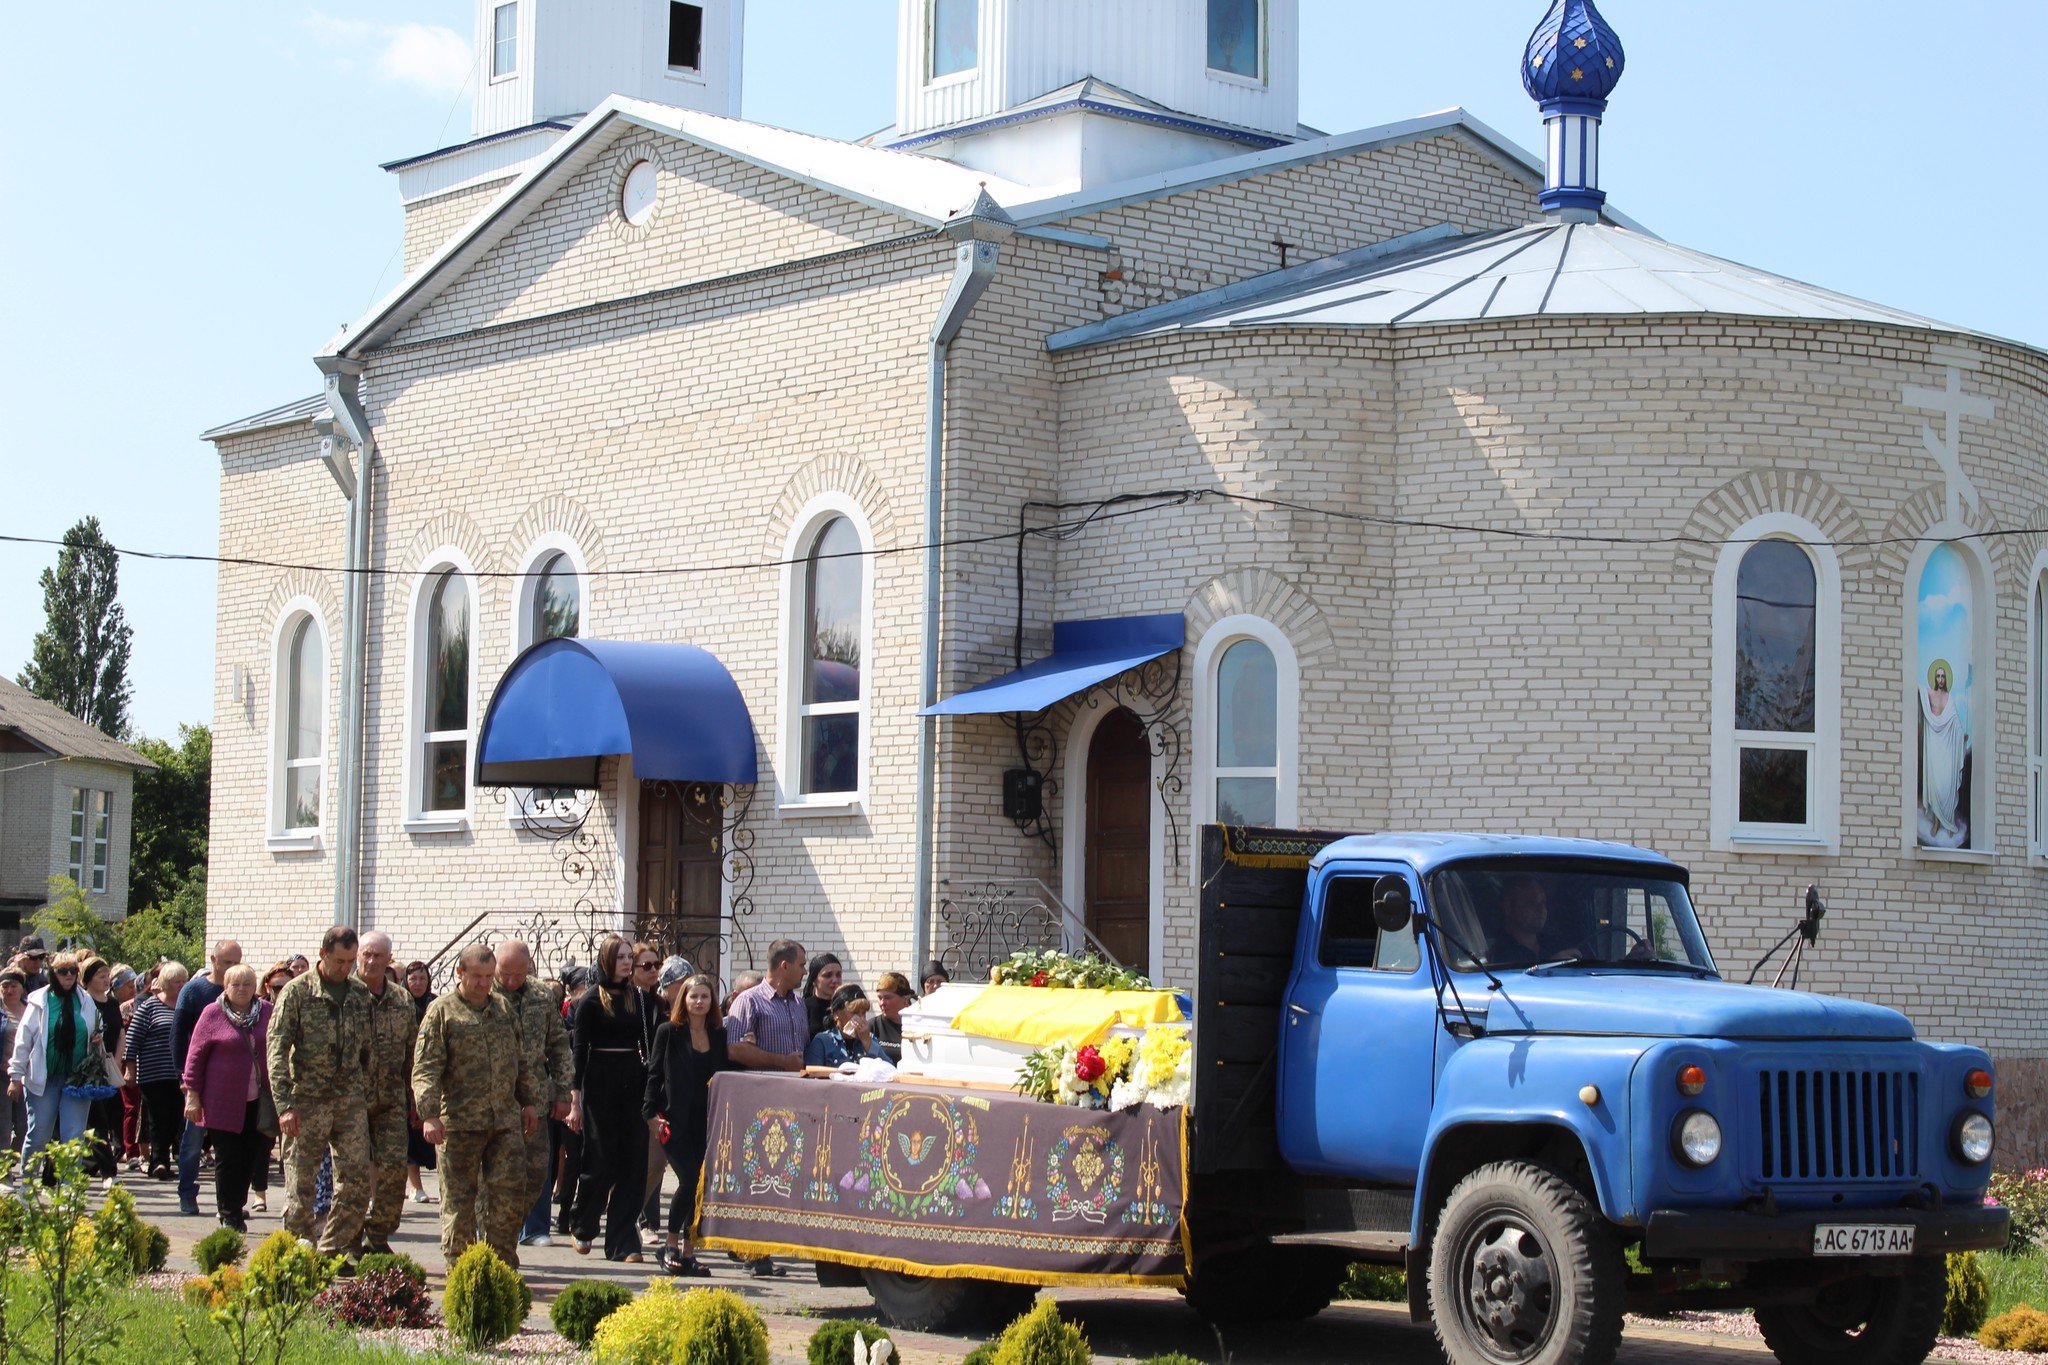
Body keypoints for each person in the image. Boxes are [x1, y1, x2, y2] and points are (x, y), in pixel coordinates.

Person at [413, 944, 538, 1266]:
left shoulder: (502, 1009)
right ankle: (461, 1268)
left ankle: (501, 1265)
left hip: (504, 1122)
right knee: (459, 1203)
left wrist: (528, 1101)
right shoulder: (442, 1012)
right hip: (459, 1124)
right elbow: (426, 1068)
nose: (484, 983)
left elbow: (521, 1059)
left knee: (508, 1196)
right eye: (477, 976)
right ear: (460, 973)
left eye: (488, 976)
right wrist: (429, 1115)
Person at [267, 925, 373, 1258]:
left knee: (356, 1180)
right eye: (339, 961)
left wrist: (365, 1089)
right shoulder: (298, 992)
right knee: (301, 1183)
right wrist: (285, 1105)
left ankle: (333, 1249)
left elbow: (367, 1048)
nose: (346, 968)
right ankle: (299, 1254)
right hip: (307, 1100)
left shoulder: (359, 993)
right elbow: (276, 1049)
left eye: (351, 962)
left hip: (349, 1099)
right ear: (323, 954)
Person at [724, 939, 809, 1279]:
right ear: (784, 966)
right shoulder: (749, 1001)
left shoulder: (798, 1004)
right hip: (759, 1104)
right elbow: (733, 1049)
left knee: (779, 1180)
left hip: (792, 1104)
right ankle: (752, 1250)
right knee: (756, 1178)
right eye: (801, 965)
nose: (805, 971)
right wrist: (781, 1062)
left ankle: (763, 1246)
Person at [491, 940, 577, 1250]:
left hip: (536, 1095)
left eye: (519, 973)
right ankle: (491, 1228)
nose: (512, 980)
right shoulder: (484, 994)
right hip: (493, 1097)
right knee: (495, 1167)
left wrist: (563, 1092)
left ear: (529, 966)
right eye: (506, 973)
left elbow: (558, 1045)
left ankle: (534, 1226)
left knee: (537, 1164)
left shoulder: (541, 996)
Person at [642, 973, 728, 1277]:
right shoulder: (668, 1031)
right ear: (684, 1000)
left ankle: (689, 1252)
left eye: (705, 996)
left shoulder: (718, 1034)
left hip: (705, 1121)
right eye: (694, 996)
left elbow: (724, 1076)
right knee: (688, 1179)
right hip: (672, 1119)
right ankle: (670, 1245)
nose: (699, 1001)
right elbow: (654, 1073)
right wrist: (649, 1113)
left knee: (700, 1184)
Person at [571, 935, 648, 1261]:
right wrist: (575, 1100)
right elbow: (579, 1052)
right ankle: (583, 1225)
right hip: (600, 1081)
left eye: (630, 957)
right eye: (620, 957)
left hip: (632, 1080)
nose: (627, 963)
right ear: (607, 960)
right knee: (600, 1160)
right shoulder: (590, 1000)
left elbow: (646, 1043)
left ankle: (623, 1242)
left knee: (633, 1161)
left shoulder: (638, 998)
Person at [181, 964, 273, 1231]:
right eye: (236, 984)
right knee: (228, 1157)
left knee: (250, 1156)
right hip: (221, 1101)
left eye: (247, 984)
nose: (242, 989)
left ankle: (236, 1204)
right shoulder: (213, 1013)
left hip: (258, 1101)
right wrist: (192, 1095)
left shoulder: (267, 1011)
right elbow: (195, 1057)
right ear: (226, 987)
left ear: (255, 987)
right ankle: (228, 1212)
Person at [9, 951, 103, 1165]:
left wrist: (98, 1037)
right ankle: (28, 1180)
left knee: (74, 1137)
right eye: (62, 971)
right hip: (44, 1078)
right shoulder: (39, 1001)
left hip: (77, 1078)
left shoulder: (85, 999)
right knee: (39, 1135)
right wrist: (15, 1077)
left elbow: (96, 1027)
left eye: (73, 970)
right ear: (53, 973)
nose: (69, 975)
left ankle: (69, 1182)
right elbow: (23, 1041)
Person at [356, 930, 418, 1256]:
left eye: (377, 956)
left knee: (394, 1170)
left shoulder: (402, 999)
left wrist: (415, 1098)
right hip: (350, 1101)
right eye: (366, 954)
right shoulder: (345, 995)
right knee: (352, 1176)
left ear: (389, 960)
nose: (370, 961)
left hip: (391, 1099)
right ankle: (349, 1239)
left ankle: (378, 1236)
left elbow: (412, 1053)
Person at [175, 940, 242, 1215]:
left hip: (230, 1082)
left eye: (236, 962)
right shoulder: (194, 991)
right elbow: (179, 1035)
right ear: (213, 960)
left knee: (229, 1147)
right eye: (227, 962)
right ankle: (187, 1193)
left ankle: (227, 1203)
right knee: (193, 1140)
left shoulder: (240, 990)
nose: (232, 968)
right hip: (199, 1079)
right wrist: (184, 1077)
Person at [638, 954, 691, 1236]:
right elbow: (653, 1067)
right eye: (681, 982)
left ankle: (687, 1232)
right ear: (667, 987)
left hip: (689, 1105)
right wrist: (649, 1108)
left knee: (689, 1173)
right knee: (653, 1167)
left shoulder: (702, 1020)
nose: (687, 988)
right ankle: (631, 1219)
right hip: (660, 1103)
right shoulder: (656, 1016)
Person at [125, 961, 188, 1179]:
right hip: (153, 1074)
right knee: (157, 1119)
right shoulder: (150, 1006)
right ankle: (159, 1162)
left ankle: (164, 1158)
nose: (181, 985)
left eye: (184, 981)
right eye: (176, 982)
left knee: (175, 1119)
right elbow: (132, 1040)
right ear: (165, 983)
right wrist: (130, 1069)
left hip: (179, 1074)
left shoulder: (185, 1008)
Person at [78, 957, 127, 1182]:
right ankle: (106, 1169)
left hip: (109, 1065)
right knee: (96, 1119)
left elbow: (120, 1033)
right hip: (88, 1068)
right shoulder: (83, 1002)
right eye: (101, 976)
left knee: (110, 1114)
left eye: (108, 975)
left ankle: (90, 1163)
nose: (107, 980)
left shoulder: (112, 1003)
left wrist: (116, 1061)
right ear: (88, 979)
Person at [402, 960, 438, 1202]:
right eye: (413, 979)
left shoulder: (434, 1004)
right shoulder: (401, 1004)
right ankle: (415, 1186)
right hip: (406, 1074)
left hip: (430, 1074)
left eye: (422, 978)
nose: (418, 983)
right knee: (410, 1133)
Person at [1487, 876, 1565, 965]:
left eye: (1543, 902)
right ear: (1507, 907)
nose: (1541, 909)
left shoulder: (1555, 944)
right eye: (1531, 903)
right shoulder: (1496, 954)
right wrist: (1552, 963)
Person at [805, 985, 875, 1068]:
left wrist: (868, 1043)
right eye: (855, 1012)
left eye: (863, 1013)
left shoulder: (869, 1038)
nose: (861, 1018)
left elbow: (886, 1068)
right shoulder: (823, 1041)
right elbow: (812, 1071)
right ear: (836, 1014)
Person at [0, 967, 27, 1167]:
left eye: (14, 986)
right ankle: (4, 1172)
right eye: (5, 986)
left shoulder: (31, 1010)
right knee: (3, 1124)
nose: (9, 990)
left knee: (24, 1125)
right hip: (2, 1074)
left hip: (26, 1074)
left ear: (22, 988)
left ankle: (9, 1163)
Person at [871, 972, 913, 1065]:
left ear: (905, 999)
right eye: (880, 998)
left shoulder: (916, 1026)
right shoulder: (873, 1026)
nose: (882, 1003)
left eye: (888, 998)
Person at [801, 954, 843, 1040]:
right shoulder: (802, 1008)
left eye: (838, 975)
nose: (835, 980)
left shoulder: (845, 1007)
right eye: (828, 975)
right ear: (814, 980)